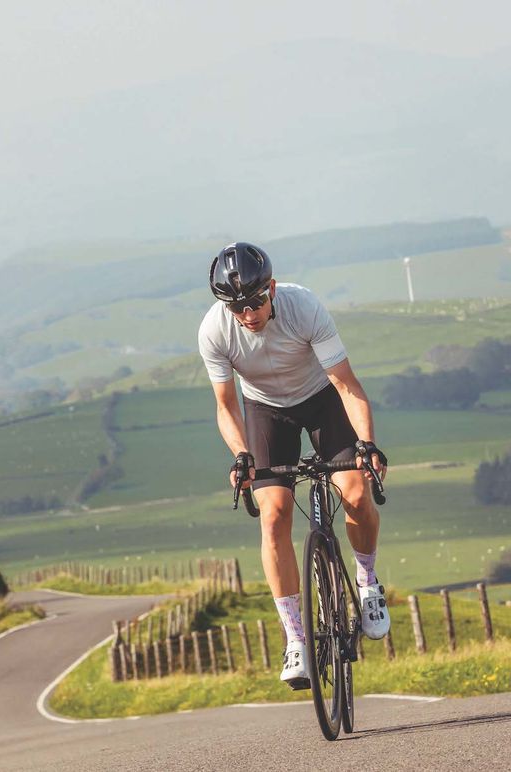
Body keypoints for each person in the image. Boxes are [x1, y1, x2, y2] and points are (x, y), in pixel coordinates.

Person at [197, 241, 389, 690]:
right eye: (236, 307)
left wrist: (366, 445)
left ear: (273, 289)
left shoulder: (304, 307)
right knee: (274, 514)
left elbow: (346, 384)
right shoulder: (214, 331)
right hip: (266, 412)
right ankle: (296, 638)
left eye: (255, 302)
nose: (247, 314)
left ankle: (366, 582)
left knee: (357, 492)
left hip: (321, 399)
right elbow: (226, 406)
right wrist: (241, 456)